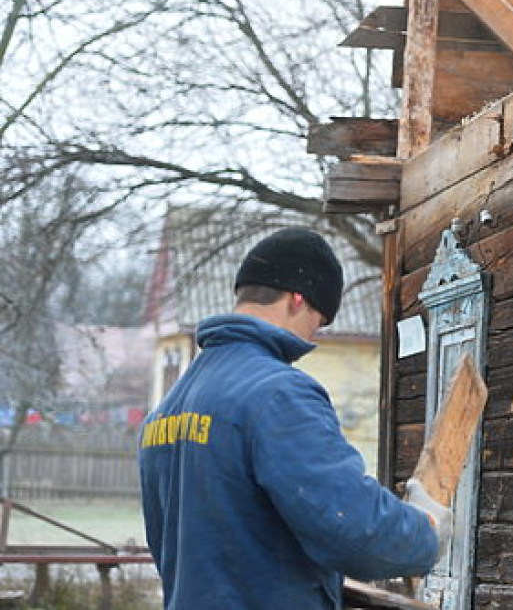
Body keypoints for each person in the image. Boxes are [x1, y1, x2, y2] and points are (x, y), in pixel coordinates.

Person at [139, 226, 450, 609]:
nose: (314, 338)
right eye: (318, 321)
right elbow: (350, 527)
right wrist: (425, 532)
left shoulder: (168, 408)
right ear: (296, 300)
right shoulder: (278, 394)